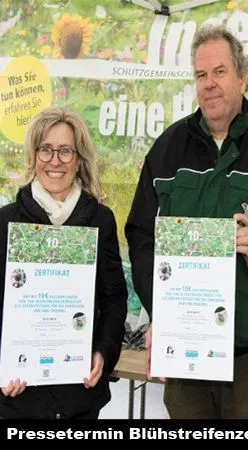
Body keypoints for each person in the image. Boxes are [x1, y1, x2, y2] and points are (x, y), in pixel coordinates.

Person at [125, 23, 248, 419]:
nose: (209, 84)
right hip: (184, 346)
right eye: (201, 75)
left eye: (220, 72)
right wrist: (162, 311)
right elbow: (141, 236)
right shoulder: (167, 150)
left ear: (243, 76)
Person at [0, 107, 127, 419]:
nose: (54, 161)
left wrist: (103, 352)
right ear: (33, 155)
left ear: (79, 158)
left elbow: (114, 298)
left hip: (78, 395)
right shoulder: (7, 221)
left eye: (66, 151)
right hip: (20, 397)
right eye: (46, 149)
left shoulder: (101, 220)